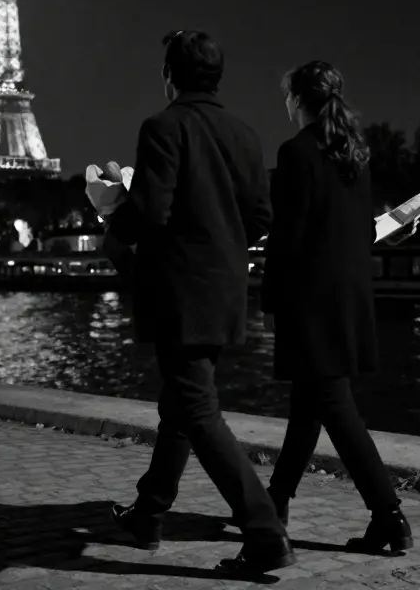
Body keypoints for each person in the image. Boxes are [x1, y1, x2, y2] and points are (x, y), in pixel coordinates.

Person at [106, 30, 295, 576]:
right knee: (184, 401)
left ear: (169, 76)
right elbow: (260, 217)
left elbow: (152, 212)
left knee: (197, 409)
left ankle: (263, 531)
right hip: (225, 291)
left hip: (179, 291)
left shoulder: (163, 127)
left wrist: (111, 215)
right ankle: (149, 512)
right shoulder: (243, 133)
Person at [257, 60, 413, 554]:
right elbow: (356, 230)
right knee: (310, 406)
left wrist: (268, 298)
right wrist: (394, 226)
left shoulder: (296, 154)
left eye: (287, 97)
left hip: (311, 301)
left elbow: (287, 239)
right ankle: (273, 504)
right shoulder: (354, 154)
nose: (285, 105)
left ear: (299, 101)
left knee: (336, 408)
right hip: (348, 297)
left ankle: (389, 516)